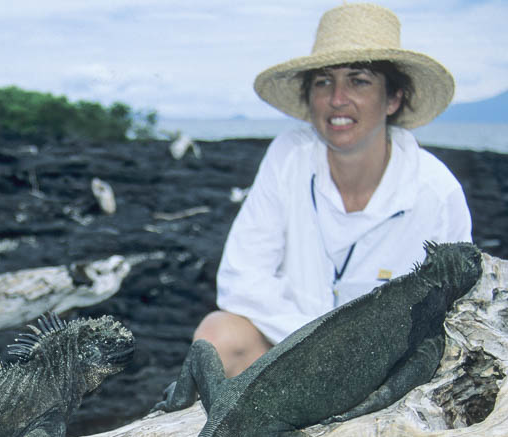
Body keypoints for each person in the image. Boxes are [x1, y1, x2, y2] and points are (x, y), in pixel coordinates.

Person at [197, 2, 472, 376]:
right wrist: (321, 346)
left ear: (393, 99)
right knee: (217, 338)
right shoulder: (289, 157)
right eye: (324, 82)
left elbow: (456, 312)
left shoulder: (437, 193)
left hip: (388, 370)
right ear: (310, 98)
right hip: (293, 351)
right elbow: (240, 280)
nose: (337, 98)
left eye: (359, 81)